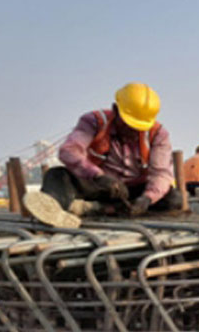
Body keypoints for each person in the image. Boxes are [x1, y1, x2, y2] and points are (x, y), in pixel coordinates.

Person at [24, 82, 181, 228]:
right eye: (128, 124)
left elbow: (161, 174)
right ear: (115, 110)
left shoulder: (158, 134)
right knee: (57, 175)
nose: (133, 130)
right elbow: (69, 151)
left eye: (139, 127)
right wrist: (98, 176)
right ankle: (51, 209)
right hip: (98, 185)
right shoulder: (94, 122)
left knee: (172, 199)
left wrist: (147, 198)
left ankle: (95, 208)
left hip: (133, 192)